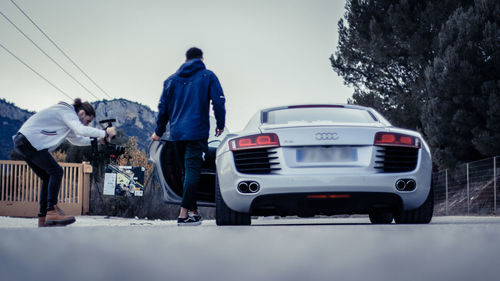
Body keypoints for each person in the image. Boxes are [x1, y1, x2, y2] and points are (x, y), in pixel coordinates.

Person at [13, 98, 116, 227]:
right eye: (88, 121)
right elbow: (81, 130)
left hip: (23, 143)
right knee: (56, 171)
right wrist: (104, 132)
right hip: (30, 142)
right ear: (82, 113)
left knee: (47, 176)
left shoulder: (66, 118)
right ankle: (51, 210)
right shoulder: (65, 110)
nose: (87, 125)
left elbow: (76, 140)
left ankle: (43, 217)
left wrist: (98, 141)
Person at [152, 47, 226, 226]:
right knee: (192, 171)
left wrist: (159, 131)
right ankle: (183, 214)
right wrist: (220, 124)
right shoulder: (208, 76)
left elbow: (163, 109)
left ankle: (193, 212)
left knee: (186, 172)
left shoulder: (170, 80)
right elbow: (219, 101)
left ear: (185, 60)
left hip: (177, 134)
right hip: (197, 132)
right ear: (202, 58)